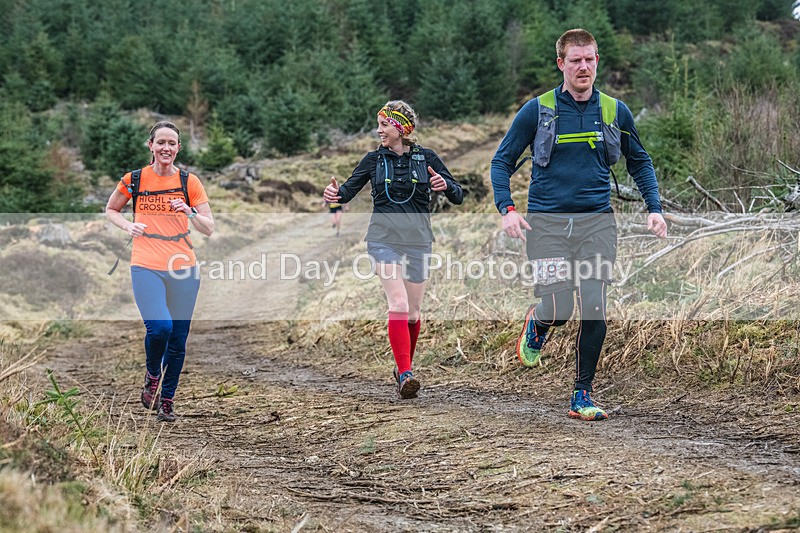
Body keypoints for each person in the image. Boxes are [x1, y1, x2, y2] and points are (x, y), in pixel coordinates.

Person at [490, 29, 668, 421]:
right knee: (559, 307)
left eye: (589, 59)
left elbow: (639, 161)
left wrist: (653, 207)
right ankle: (539, 322)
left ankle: (582, 394)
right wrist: (507, 208)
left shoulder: (614, 110)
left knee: (593, 306)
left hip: (596, 224)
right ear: (561, 64)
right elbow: (501, 161)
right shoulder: (536, 110)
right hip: (547, 225)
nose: (583, 66)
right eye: (575, 60)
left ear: (597, 61)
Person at [323, 100, 463, 399]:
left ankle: (402, 370)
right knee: (398, 304)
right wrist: (334, 195)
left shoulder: (427, 158)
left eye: (384, 124)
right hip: (382, 239)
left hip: (419, 240)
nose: (379, 130)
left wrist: (445, 185)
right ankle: (407, 373)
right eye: (379, 124)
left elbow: (458, 195)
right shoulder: (373, 160)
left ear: (401, 128)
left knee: (412, 314)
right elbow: (345, 192)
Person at [105, 121, 214, 422]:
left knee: (178, 339)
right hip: (145, 262)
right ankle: (153, 375)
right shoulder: (135, 179)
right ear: (150, 145)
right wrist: (129, 225)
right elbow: (111, 209)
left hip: (183, 265)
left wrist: (190, 212)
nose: (166, 148)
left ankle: (166, 399)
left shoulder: (189, 182)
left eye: (172, 143)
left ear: (179, 148)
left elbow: (209, 229)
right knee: (160, 328)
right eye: (161, 142)